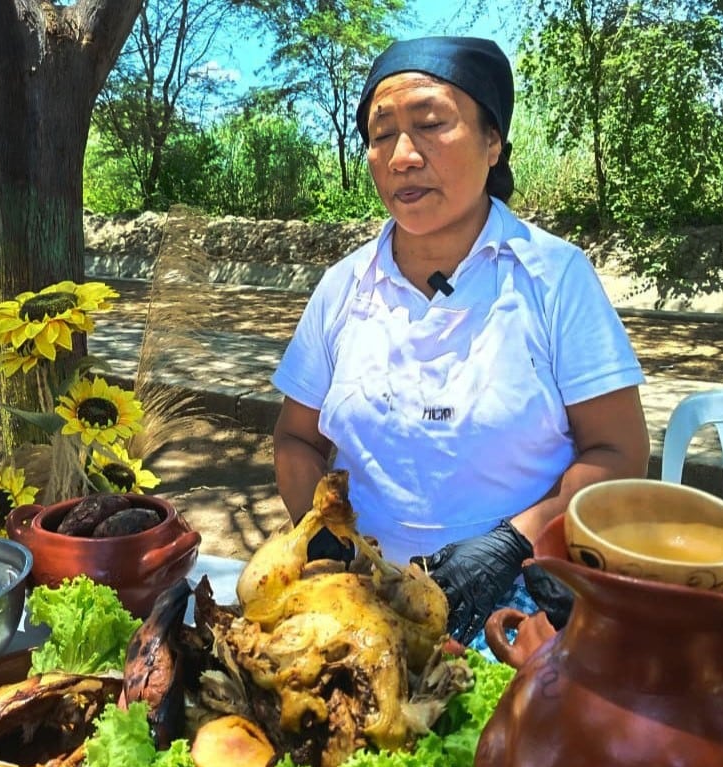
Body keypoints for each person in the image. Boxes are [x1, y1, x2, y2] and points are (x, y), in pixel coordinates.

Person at [270, 35, 650, 645]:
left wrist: (512, 543)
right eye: (381, 133)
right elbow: (295, 437)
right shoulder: (344, 288)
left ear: (492, 141)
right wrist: (326, 539)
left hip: (520, 611)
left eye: (430, 124)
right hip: (363, 606)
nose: (402, 156)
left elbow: (618, 453)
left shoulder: (552, 278)